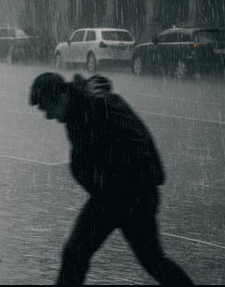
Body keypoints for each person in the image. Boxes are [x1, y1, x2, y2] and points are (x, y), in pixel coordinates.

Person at [29, 72, 193, 285]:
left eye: (47, 108)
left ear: (61, 97)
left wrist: (137, 186)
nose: (48, 116)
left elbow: (139, 141)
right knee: (75, 254)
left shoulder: (100, 106)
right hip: (109, 195)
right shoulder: (78, 111)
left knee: (152, 260)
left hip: (133, 195)